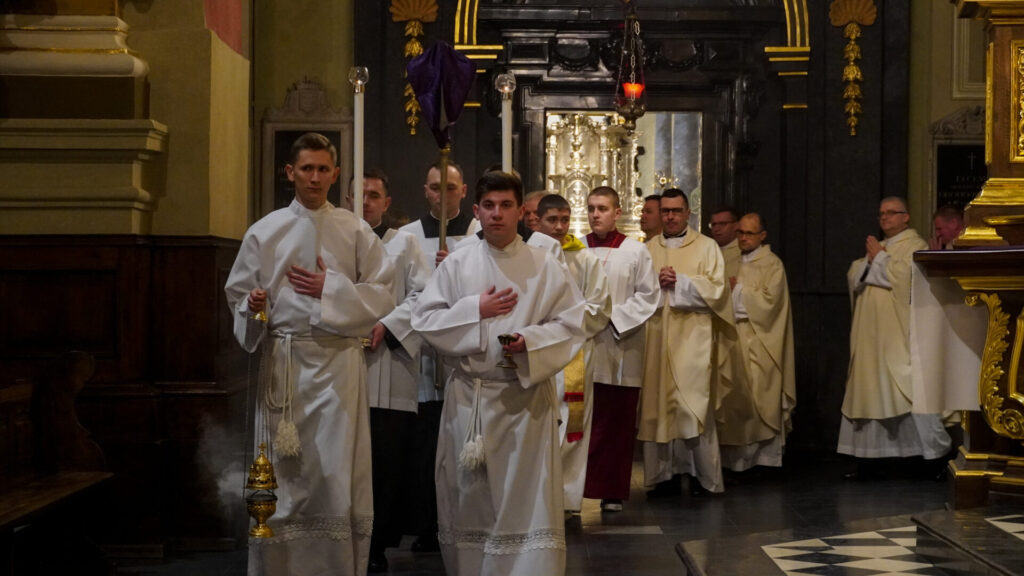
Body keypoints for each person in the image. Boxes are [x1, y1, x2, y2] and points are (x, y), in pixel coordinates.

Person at [225, 132, 395, 576]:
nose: (315, 178)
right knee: (288, 472)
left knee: (334, 475)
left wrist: (330, 289)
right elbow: (240, 297)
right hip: (285, 365)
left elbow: (384, 295)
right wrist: (253, 308)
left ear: (335, 174)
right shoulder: (264, 231)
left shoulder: (355, 230)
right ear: (290, 173)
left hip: (339, 366)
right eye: (307, 169)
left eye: (323, 169)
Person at [410, 171, 586, 576]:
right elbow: (426, 320)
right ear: (477, 210)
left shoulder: (545, 265)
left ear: (522, 212)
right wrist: (475, 309)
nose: (497, 215)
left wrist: (530, 341)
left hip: (524, 403)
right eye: (489, 206)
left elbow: (573, 324)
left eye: (506, 206)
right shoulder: (457, 264)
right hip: (470, 400)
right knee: (470, 498)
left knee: (524, 498)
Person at [839, 197, 951, 476]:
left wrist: (879, 260)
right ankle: (870, 459)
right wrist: (876, 262)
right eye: (881, 214)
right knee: (870, 392)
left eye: (891, 213)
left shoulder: (915, 245)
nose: (885, 218)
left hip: (900, 336)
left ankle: (932, 458)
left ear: (906, 217)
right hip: (871, 339)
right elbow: (855, 273)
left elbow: (910, 280)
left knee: (911, 390)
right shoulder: (880, 247)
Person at [355, 168, 432, 572]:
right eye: (359, 194)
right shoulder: (334, 239)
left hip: (389, 369)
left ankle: (377, 547)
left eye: (374, 195)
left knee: (385, 464)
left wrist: (389, 325)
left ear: (387, 202)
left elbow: (424, 294)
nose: (366, 201)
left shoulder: (404, 244)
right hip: (342, 368)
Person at [399, 161, 475, 552]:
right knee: (426, 444)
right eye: (434, 187)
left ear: (463, 192)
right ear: (424, 191)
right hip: (424, 358)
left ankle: (466, 521)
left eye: (450, 187)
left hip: (466, 358)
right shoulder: (407, 237)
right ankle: (427, 525)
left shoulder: (482, 235)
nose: (442, 194)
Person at [638, 188, 730, 496]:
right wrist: (655, 283)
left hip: (693, 340)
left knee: (693, 408)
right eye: (665, 211)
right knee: (658, 409)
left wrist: (682, 283)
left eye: (676, 211)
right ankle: (661, 476)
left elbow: (719, 292)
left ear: (688, 212)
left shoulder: (707, 247)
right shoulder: (648, 248)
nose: (671, 216)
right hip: (656, 338)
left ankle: (705, 478)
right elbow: (635, 293)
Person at [581, 186, 660, 512]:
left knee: (616, 422)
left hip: (620, 346)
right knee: (580, 422)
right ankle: (573, 492)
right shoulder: (575, 249)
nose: (595, 214)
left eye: (602, 208)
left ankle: (611, 491)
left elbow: (648, 295)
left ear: (617, 213)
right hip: (582, 348)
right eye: (591, 208)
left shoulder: (635, 251)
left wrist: (614, 321)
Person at [535, 193, 613, 516]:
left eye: (565, 220)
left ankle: (567, 502)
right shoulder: (528, 256)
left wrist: (564, 324)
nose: (559, 226)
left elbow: (600, 307)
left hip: (574, 353)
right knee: (538, 424)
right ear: (537, 221)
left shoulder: (585, 259)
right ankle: (538, 499)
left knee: (573, 426)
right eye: (552, 220)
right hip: (537, 351)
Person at [718, 212, 796, 471]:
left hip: (762, 343)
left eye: (749, 233)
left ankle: (763, 461)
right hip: (732, 341)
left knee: (759, 399)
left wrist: (737, 291)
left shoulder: (772, 264)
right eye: (740, 232)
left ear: (762, 235)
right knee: (734, 402)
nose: (743, 238)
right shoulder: (729, 262)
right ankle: (735, 464)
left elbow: (771, 304)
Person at [708, 206, 741, 284]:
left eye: (722, 224)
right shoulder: (707, 250)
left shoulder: (743, 252)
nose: (716, 229)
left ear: (736, 225)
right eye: (713, 224)